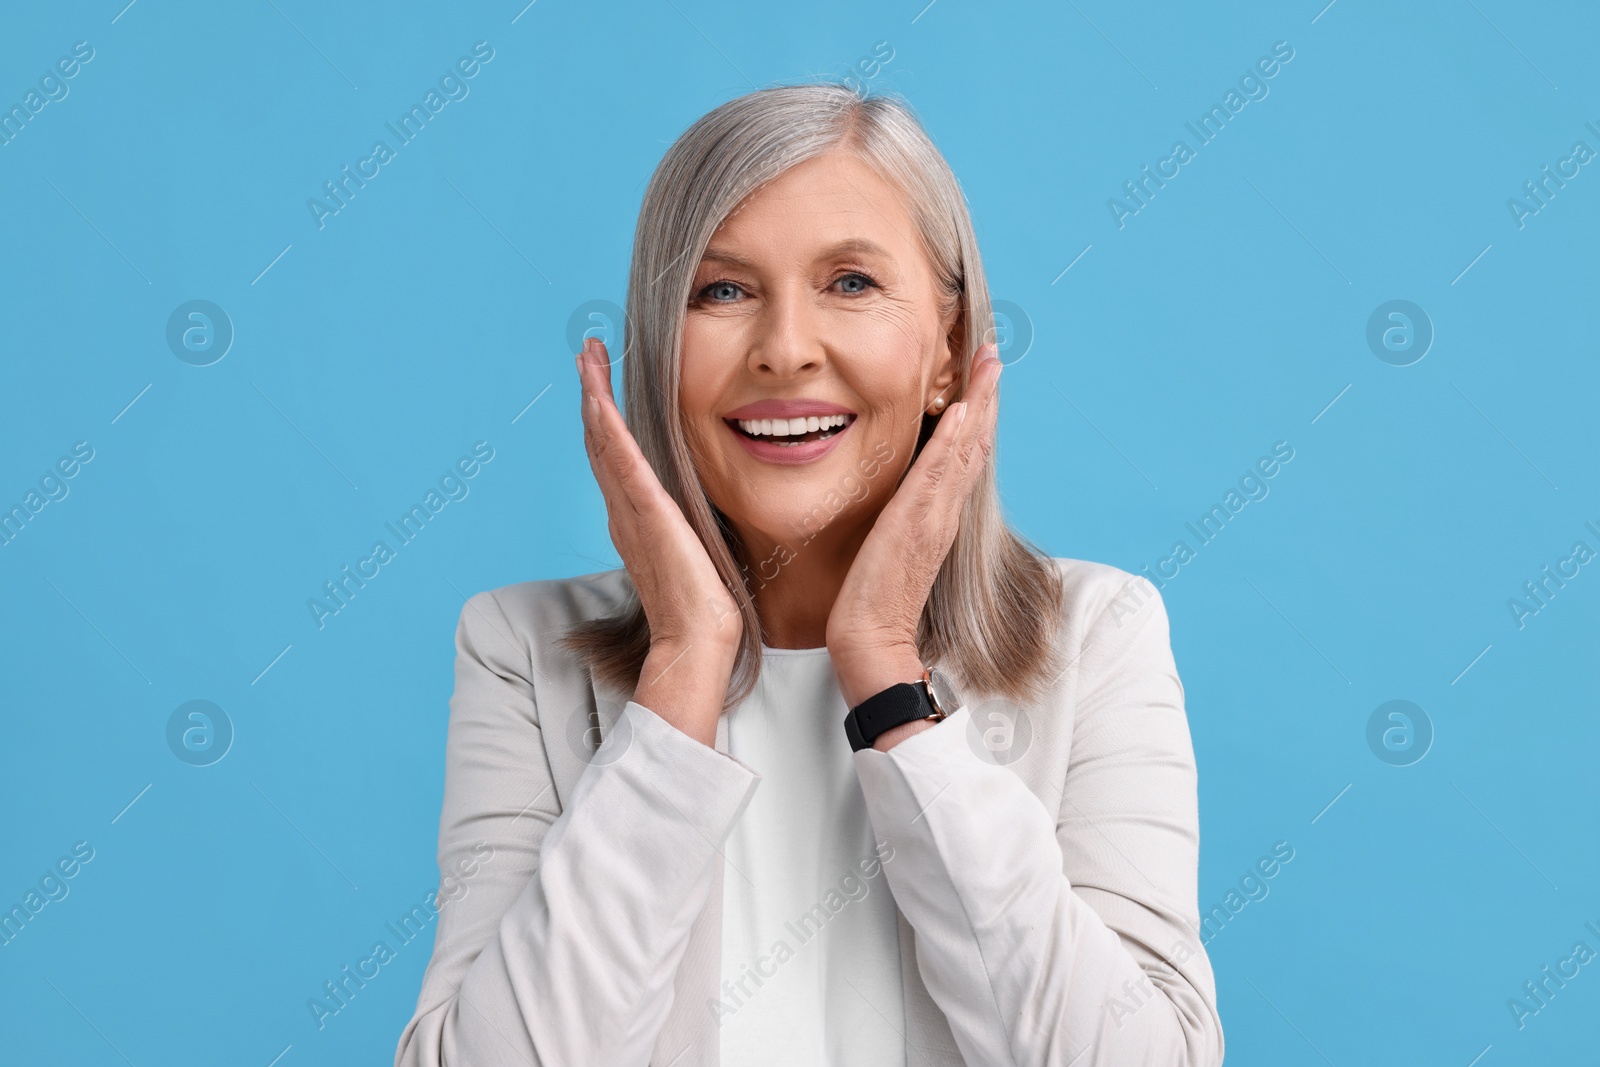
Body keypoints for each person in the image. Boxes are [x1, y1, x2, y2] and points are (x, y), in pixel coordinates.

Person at [395, 82, 1223, 1066]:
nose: (784, 349)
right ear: (660, 350)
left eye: (852, 283)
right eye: (721, 291)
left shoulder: (1101, 632)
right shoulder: (517, 649)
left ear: (951, 354)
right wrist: (682, 667)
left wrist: (883, 670)